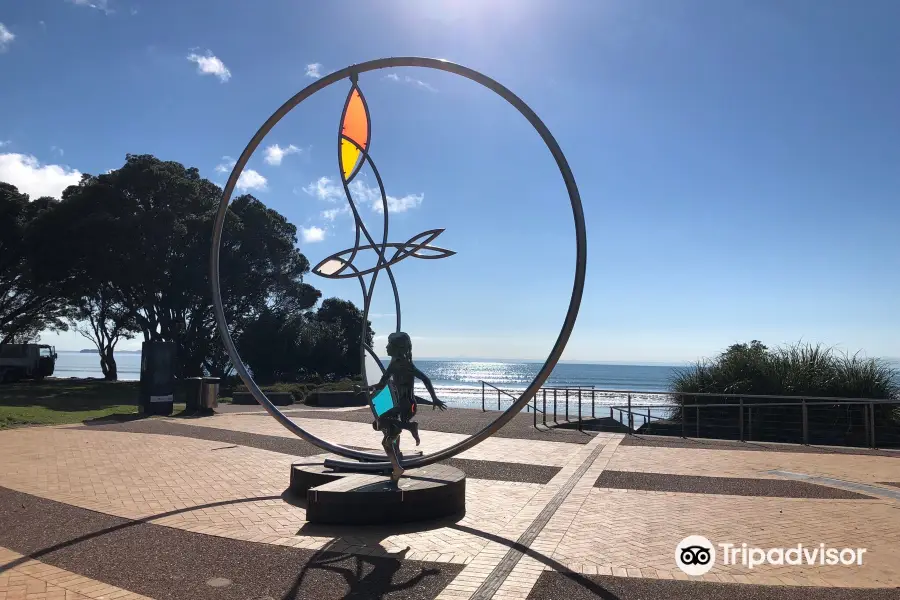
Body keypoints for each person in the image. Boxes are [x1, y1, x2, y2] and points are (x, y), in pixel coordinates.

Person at [367, 332, 447, 482]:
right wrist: (366, 388)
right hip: (399, 405)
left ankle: (398, 466)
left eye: (389, 344)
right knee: (378, 424)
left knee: (386, 438)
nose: (386, 347)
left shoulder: (405, 364)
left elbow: (425, 379)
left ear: (397, 348)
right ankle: (408, 429)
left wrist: (434, 398)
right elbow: (382, 384)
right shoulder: (393, 364)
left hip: (408, 406)